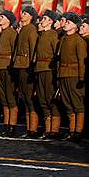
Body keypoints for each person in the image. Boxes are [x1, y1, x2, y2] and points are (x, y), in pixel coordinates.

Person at [56, 12, 86, 141]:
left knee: (77, 104)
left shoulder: (79, 41)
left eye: (68, 22)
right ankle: (72, 130)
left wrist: (81, 78)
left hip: (74, 75)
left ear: (75, 26)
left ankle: (78, 131)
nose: (65, 24)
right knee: (68, 103)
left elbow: (81, 60)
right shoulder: (63, 39)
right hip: (63, 74)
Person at [35, 10, 60, 139]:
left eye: (45, 18)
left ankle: (54, 130)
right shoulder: (41, 35)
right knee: (42, 99)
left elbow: (56, 55)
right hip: (39, 69)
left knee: (51, 99)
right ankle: (47, 128)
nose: (42, 21)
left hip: (49, 70)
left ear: (51, 21)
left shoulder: (53, 35)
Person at [14, 6, 38, 137]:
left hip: (27, 66)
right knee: (24, 97)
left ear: (31, 17)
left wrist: (32, 66)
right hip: (21, 66)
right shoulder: (23, 29)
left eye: (25, 13)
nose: (22, 15)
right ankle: (29, 128)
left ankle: (33, 129)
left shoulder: (31, 30)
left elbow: (33, 49)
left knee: (29, 98)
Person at [0, 10, 19, 136]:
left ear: (8, 21)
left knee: (10, 97)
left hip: (8, 66)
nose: (0, 18)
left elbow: (14, 51)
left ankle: (12, 126)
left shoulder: (11, 33)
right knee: (3, 97)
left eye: (2, 17)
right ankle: (6, 124)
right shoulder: (2, 33)